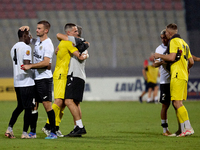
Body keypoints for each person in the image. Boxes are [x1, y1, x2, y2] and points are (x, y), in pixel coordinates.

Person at [42, 24, 89, 137]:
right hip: (61, 74)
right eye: (75, 30)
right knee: (60, 101)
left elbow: (60, 45)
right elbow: (79, 54)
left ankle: (57, 126)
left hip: (69, 75)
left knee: (64, 102)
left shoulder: (73, 42)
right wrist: (85, 53)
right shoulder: (69, 42)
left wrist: (85, 50)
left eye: (77, 31)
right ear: (69, 33)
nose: (76, 32)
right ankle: (49, 126)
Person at [154, 23, 194, 137]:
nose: (165, 34)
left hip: (176, 75)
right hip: (184, 75)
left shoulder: (173, 41)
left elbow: (171, 57)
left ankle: (188, 128)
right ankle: (182, 129)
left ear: (170, 33)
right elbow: (191, 61)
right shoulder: (184, 43)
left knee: (177, 103)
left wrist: (159, 56)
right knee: (178, 103)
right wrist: (186, 69)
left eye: (166, 32)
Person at [20, 20, 57, 139]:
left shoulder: (48, 44)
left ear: (46, 30)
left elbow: (47, 62)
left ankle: (53, 132)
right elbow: (28, 39)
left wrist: (30, 66)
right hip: (35, 79)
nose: (37, 30)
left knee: (47, 106)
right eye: (36, 28)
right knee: (33, 106)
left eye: (39, 28)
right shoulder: (37, 42)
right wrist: (26, 30)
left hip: (44, 79)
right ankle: (33, 132)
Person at [5, 29, 35, 139]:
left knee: (20, 106)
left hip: (17, 82)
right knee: (28, 108)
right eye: (29, 36)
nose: (30, 38)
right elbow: (27, 65)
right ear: (24, 35)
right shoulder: (26, 48)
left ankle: (10, 128)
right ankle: (24, 133)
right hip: (26, 82)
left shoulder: (14, 47)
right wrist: (37, 66)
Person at [153, 29, 171, 136]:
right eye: (161, 38)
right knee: (165, 105)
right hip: (165, 81)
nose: (163, 40)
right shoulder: (159, 49)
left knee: (177, 104)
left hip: (175, 79)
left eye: (164, 37)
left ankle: (182, 128)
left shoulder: (173, 47)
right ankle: (165, 130)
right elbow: (155, 64)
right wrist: (163, 61)